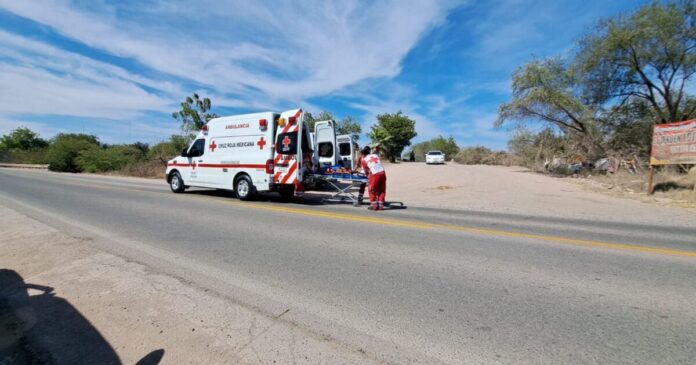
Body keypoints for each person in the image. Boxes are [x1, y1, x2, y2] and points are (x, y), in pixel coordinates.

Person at [359, 145, 387, 210]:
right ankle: (380, 206)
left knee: (371, 190)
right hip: (382, 173)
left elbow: (366, 171)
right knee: (382, 190)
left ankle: (374, 206)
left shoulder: (364, 160)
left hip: (374, 175)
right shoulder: (375, 155)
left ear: (363, 154)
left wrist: (367, 177)